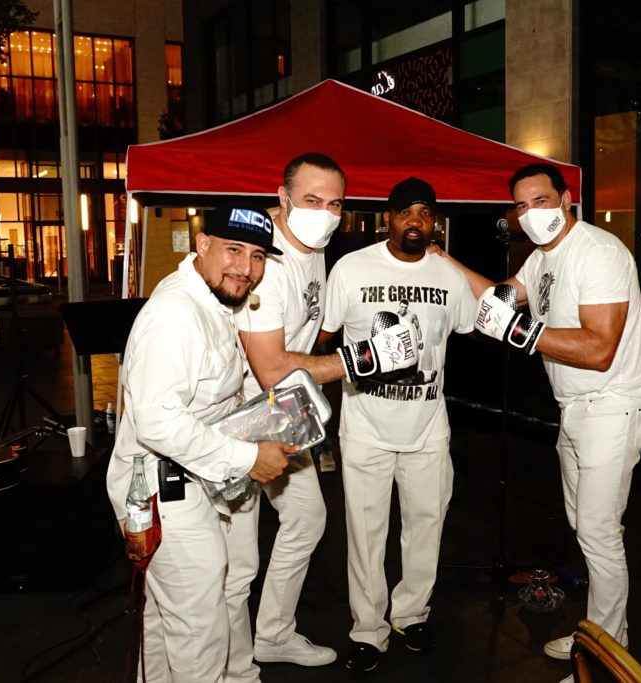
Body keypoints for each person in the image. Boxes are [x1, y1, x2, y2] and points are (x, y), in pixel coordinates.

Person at [441, 163, 641, 672]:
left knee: (599, 532)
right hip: (576, 407)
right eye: (521, 205)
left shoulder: (598, 252)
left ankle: (607, 651)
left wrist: (520, 332)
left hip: (613, 402)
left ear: (565, 199)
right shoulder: (542, 258)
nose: (531, 212)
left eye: (541, 200)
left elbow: (599, 348)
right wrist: (444, 261)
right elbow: (501, 296)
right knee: (587, 527)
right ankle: (601, 632)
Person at [226, 153, 418, 679]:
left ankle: (271, 636)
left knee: (307, 517)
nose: (325, 213)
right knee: (235, 558)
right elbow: (270, 368)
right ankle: (228, 664)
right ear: (283, 198)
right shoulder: (265, 262)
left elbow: (309, 333)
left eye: (335, 204)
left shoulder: (315, 249)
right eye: (311, 200)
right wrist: (366, 358)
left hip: (281, 411)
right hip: (239, 418)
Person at [105, 203, 297, 681]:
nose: (246, 268)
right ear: (203, 244)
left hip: (187, 479)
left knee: (166, 618)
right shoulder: (176, 314)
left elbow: (210, 396)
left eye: (257, 256)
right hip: (163, 488)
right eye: (234, 250)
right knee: (200, 629)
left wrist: (266, 423)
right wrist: (248, 457)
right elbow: (158, 423)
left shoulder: (211, 302)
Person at [317, 177, 477, 672]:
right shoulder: (351, 268)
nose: (415, 221)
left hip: (428, 425)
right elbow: (322, 340)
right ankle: (368, 629)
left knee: (426, 525)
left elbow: (469, 328)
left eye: (425, 213)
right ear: (388, 217)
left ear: (435, 223)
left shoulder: (449, 276)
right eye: (406, 212)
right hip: (365, 424)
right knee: (365, 534)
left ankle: (411, 614)